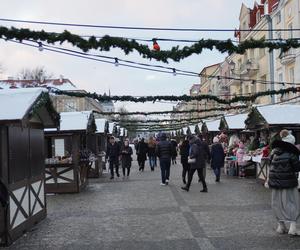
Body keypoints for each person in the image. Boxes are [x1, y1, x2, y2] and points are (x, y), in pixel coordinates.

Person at [268, 130, 300, 235]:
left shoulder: (274, 151)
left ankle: (281, 227)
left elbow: (270, 164)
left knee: (277, 203)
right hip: (288, 182)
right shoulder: (291, 153)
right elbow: (297, 168)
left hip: (274, 181)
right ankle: (292, 228)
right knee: (292, 203)